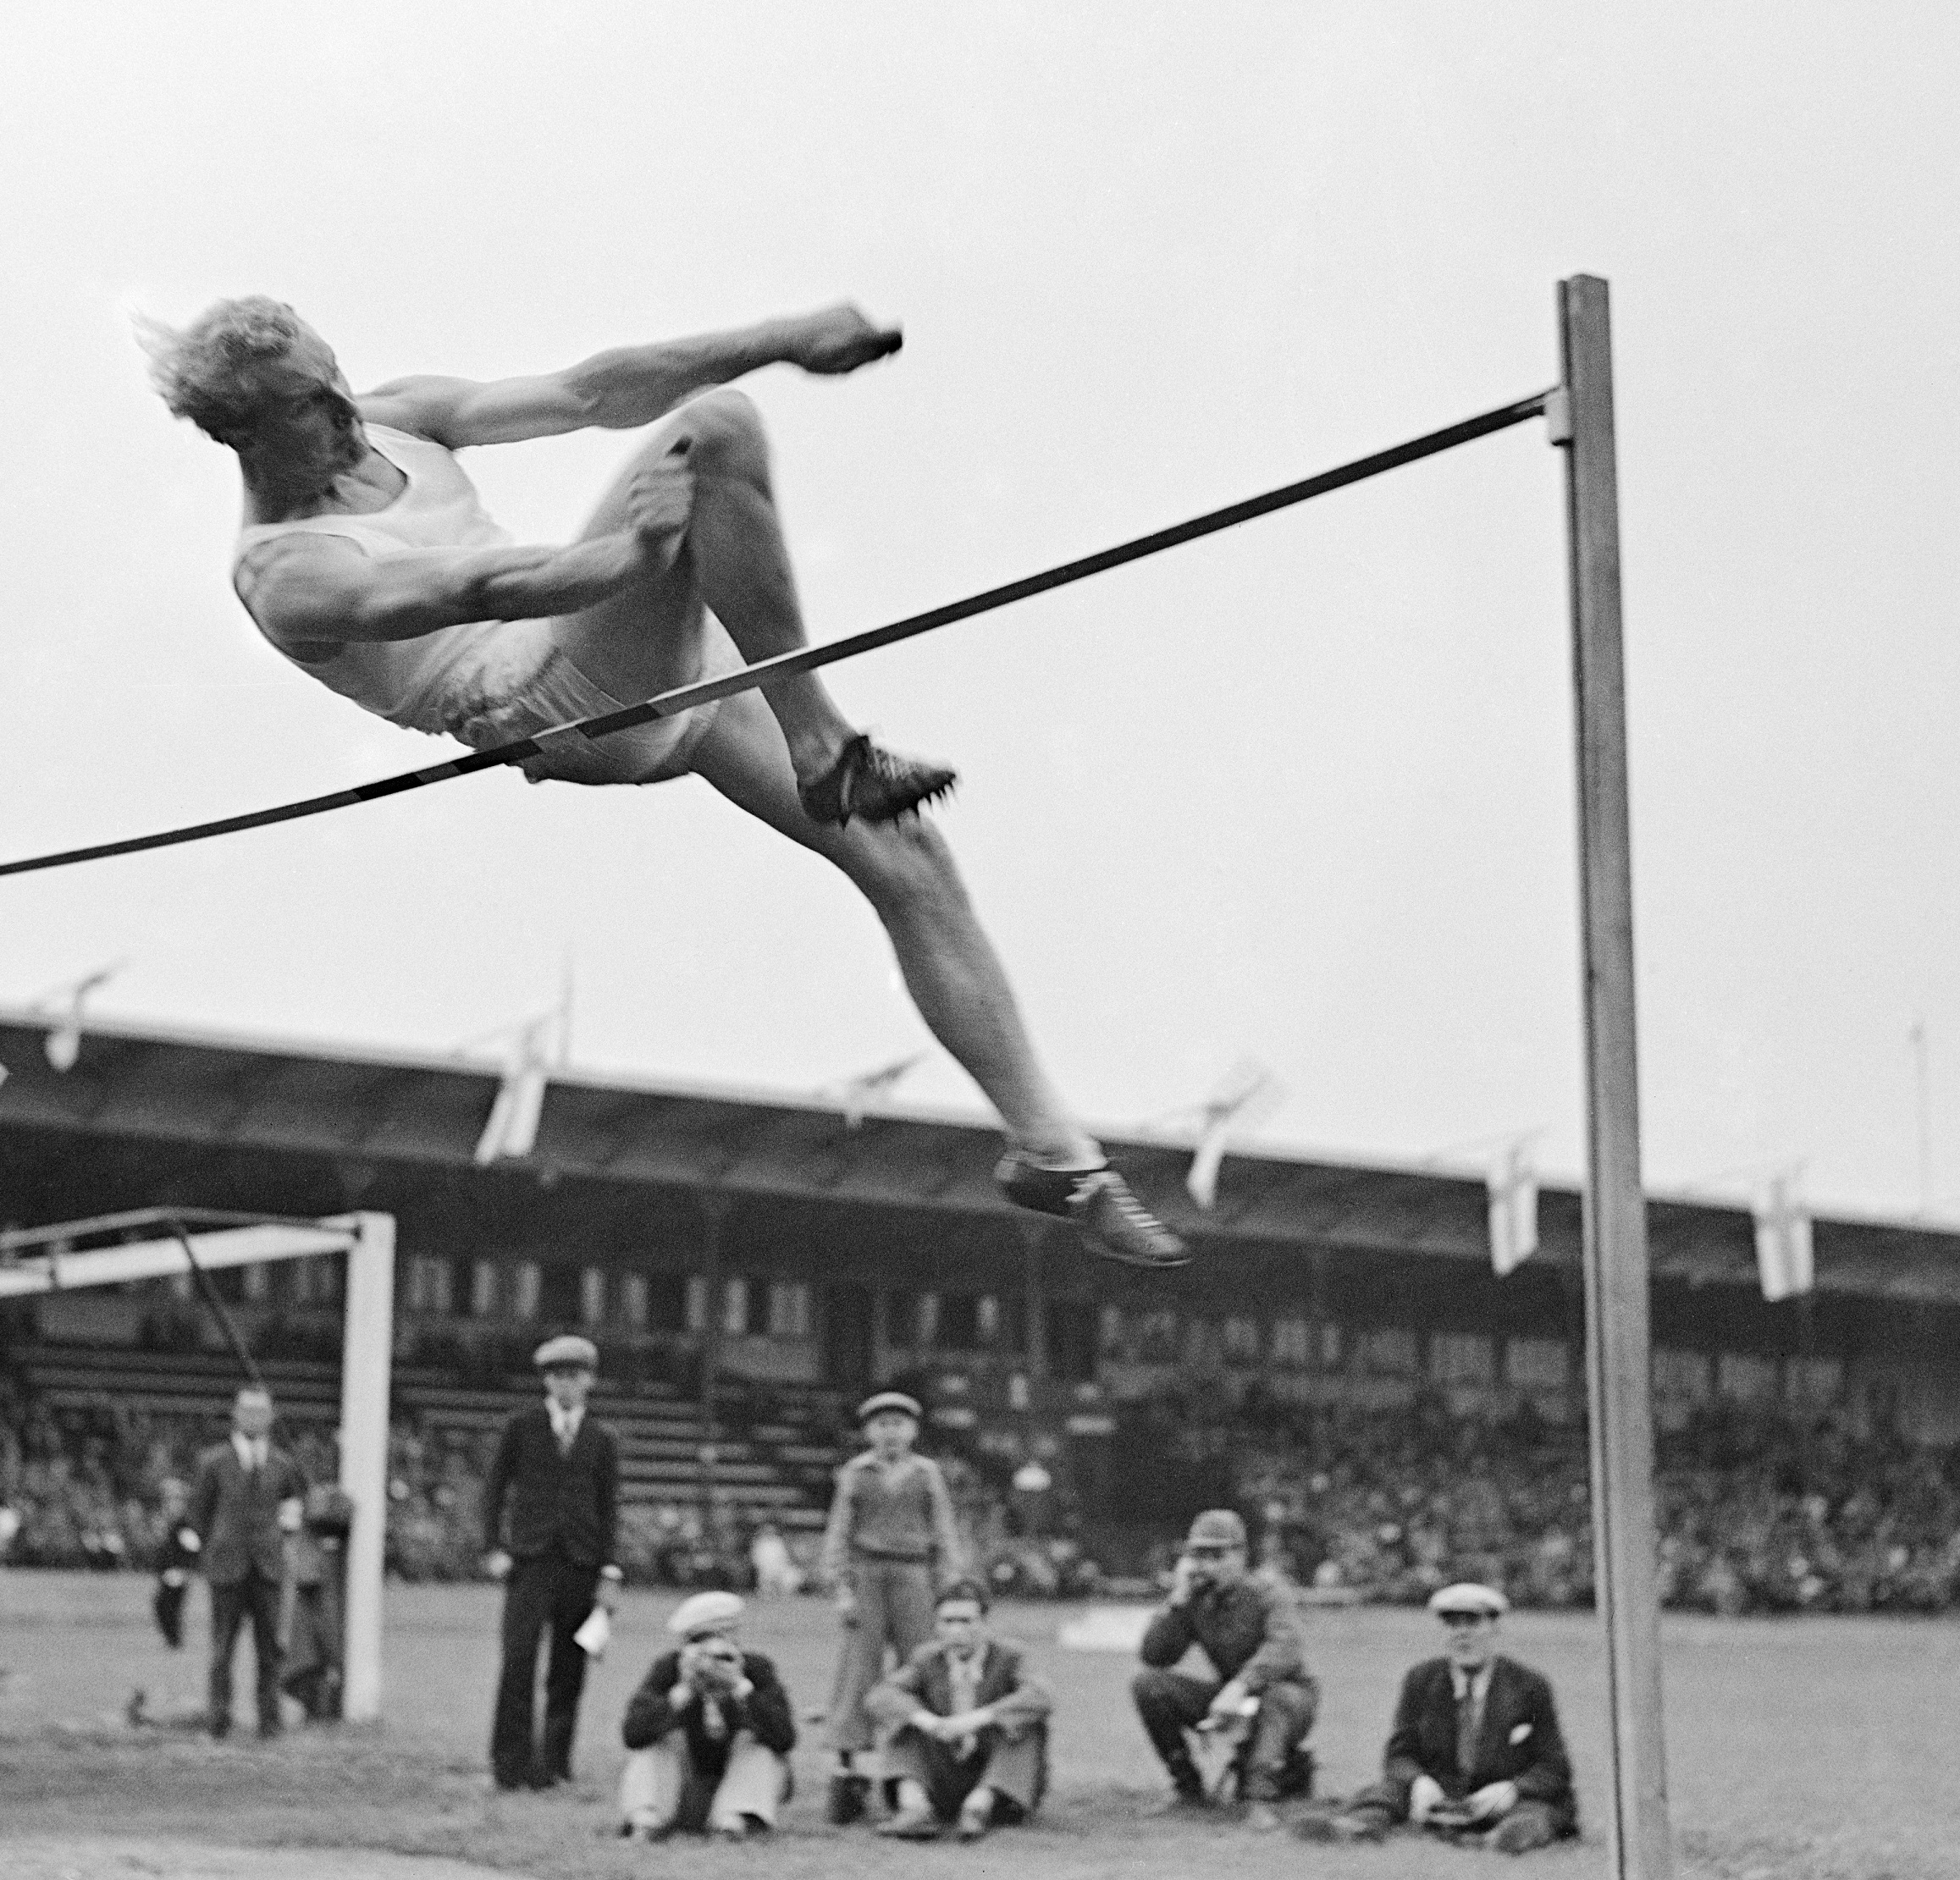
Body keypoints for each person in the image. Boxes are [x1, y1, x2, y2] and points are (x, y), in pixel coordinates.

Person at [143, 295, 1189, 1272]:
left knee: (909, 861)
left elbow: (589, 392)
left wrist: (786, 335)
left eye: (338, 381)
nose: (346, 414)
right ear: (248, 436)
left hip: (634, 653)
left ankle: (1055, 1159)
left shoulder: (398, 418)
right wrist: (635, 551)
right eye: (313, 408)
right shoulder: (287, 574)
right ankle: (822, 743)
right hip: (551, 701)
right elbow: (483, 584)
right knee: (717, 432)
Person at [1295, 1584, 1575, 1852]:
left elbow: (1554, 1768)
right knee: (1386, 1793)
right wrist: (1420, 1782)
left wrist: (1510, 1790)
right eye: (1454, 1625)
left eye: (1473, 1623)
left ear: (1494, 1628)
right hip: (1439, 1797)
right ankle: (1354, 1827)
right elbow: (1399, 1755)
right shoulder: (1421, 1680)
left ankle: (1505, 1837)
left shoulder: (1528, 1685)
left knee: (1537, 1813)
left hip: (1500, 1798)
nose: (1462, 1635)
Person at [483, 1332, 625, 1788]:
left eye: (575, 1376)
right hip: (530, 1561)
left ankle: (554, 1767)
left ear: (590, 1381)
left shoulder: (602, 1439)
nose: (566, 1386)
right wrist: (493, 1547)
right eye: (557, 1377)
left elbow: (609, 1506)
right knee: (519, 1660)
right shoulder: (520, 1426)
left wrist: (609, 1567)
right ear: (545, 1381)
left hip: (580, 1564)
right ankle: (510, 1767)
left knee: (569, 1668)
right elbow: (494, 1489)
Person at [818, 1390, 966, 1824]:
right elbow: (839, 1533)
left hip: (914, 1574)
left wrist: (951, 1587)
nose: (891, 1432)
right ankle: (848, 1767)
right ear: (868, 1431)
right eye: (881, 1424)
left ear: (914, 1430)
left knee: (919, 1665)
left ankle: (920, 1762)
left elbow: (944, 1531)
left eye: (899, 1424)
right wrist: (842, 1588)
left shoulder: (926, 1473)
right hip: (866, 1574)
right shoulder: (856, 1473)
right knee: (858, 1670)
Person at [1132, 1507, 1318, 1813]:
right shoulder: (1196, 1599)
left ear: (1241, 1556)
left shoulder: (1268, 1592)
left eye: (1218, 1556)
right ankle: (1187, 1788)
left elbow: (1285, 1647)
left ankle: (1259, 1797)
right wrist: (1177, 1600)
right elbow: (1155, 1656)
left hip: (1288, 1698)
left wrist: (1241, 1685)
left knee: (1279, 1697)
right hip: (1231, 1700)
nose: (1208, 1565)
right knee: (1148, 1684)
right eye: (1199, 1556)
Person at [864, 1578, 1052, 1842]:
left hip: (995, 1778)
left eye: (966, 1621)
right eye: (947, 1621)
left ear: (985, 1624)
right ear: (936, 1625)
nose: (956, 1631)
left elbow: (1041, 1696)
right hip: (943, 1773)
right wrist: (928, 1721)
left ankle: (977, 1809)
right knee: (904, 1719)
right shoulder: (927, 1658)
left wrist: (975, 1720)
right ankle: (915, 1809)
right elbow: (880, 1695)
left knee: (1025, 1725)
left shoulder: (1011, 1657)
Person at [617, 1590, 799, 1839]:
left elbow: (785, 1738)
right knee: (659, 1741)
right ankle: (646, 1820)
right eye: (699, 1644)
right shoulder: (669, 1670)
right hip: (681, 1792)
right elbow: (632, 1735)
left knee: (755, 1744)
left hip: (737, 1791)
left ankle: (732, 1822)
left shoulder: (755, 1670)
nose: (712, 1658)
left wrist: (741, 1688)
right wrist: (680, 1693)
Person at [186, 1386, 306, 1740]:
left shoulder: (284, 1465)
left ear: (271, 1417)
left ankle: (270, 1724)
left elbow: (295, 1510)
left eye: (261, 1411)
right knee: (222, 1649)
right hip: (227, 1567)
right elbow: (199, 1514)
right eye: (247, 1410)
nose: (254, 1418)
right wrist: (215, 1548)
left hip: (268, 1568)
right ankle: (218, 1722)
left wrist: (280, 1540)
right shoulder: (213, 1462)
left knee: (271, 1651)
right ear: (235, 1415)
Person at [279, 1485, 355, 1722]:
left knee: (325, 1647)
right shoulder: (308, 1542)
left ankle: (326, 1707)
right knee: (307, 1652)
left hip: (323, 1597)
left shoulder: (332, 1550)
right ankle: (316, 1707)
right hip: (311, 1598)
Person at [152, 1474, 197, 1649]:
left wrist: (184, 1570)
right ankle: (173, 1640)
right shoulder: (170, 1523)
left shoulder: (184, 1525)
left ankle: (174, 1641)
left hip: (177, 1573)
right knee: (164, 1606)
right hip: (167, 1572)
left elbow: (191, 1550)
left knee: (168, 1606)